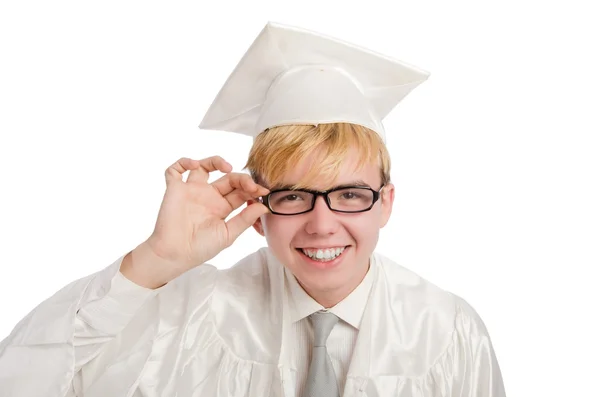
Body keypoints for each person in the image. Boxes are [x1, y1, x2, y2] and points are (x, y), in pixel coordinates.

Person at [0, 22, 505, 397]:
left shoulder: (447, 330)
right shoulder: (193, 314)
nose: (322, 224)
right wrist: (156, 260)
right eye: (292, 196)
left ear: (386, 204)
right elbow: (25, 380)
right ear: (258, 211)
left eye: (350, 195)